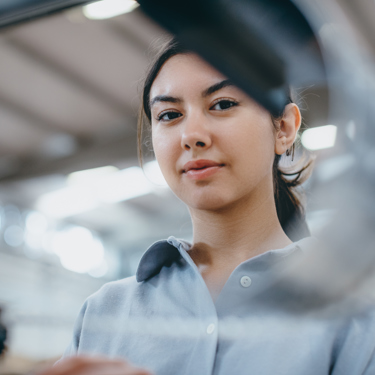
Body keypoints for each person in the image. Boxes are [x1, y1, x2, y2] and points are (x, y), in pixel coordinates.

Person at [39, 38, 375, 375]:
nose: (192, 135)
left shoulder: (354, 307)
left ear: (284, 128)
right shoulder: (104, 313)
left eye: (223, 104)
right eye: (170, 115)